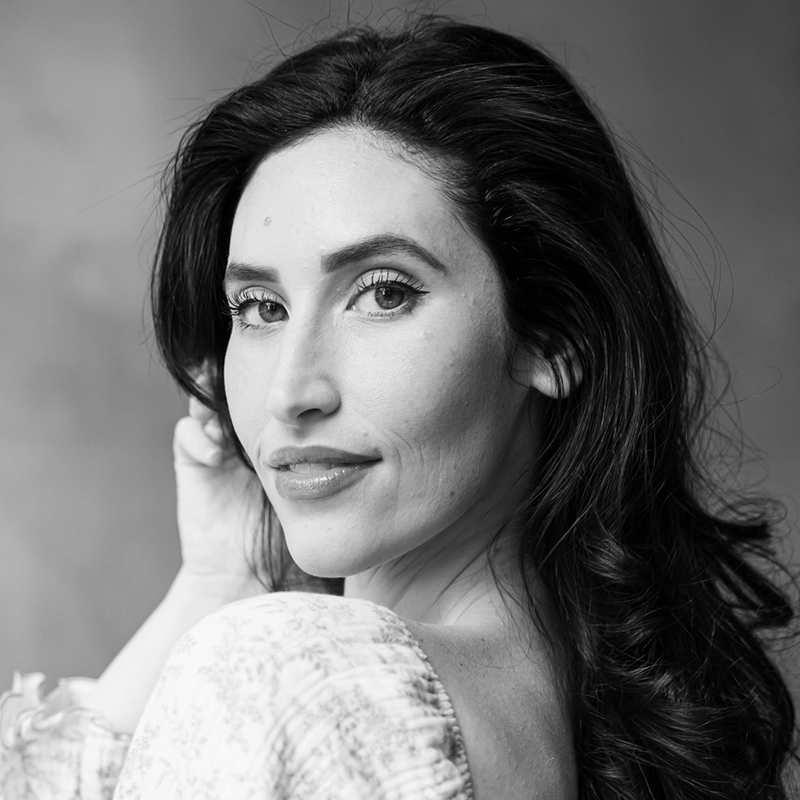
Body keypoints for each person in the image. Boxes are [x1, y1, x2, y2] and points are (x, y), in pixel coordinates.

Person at [1, 15, 797, 800]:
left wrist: (225, 608)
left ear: (555, 335)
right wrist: (225, 576)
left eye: (382, 293)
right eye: (259, 307)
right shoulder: (580, 724)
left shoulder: (295, 680)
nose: (290, 392)